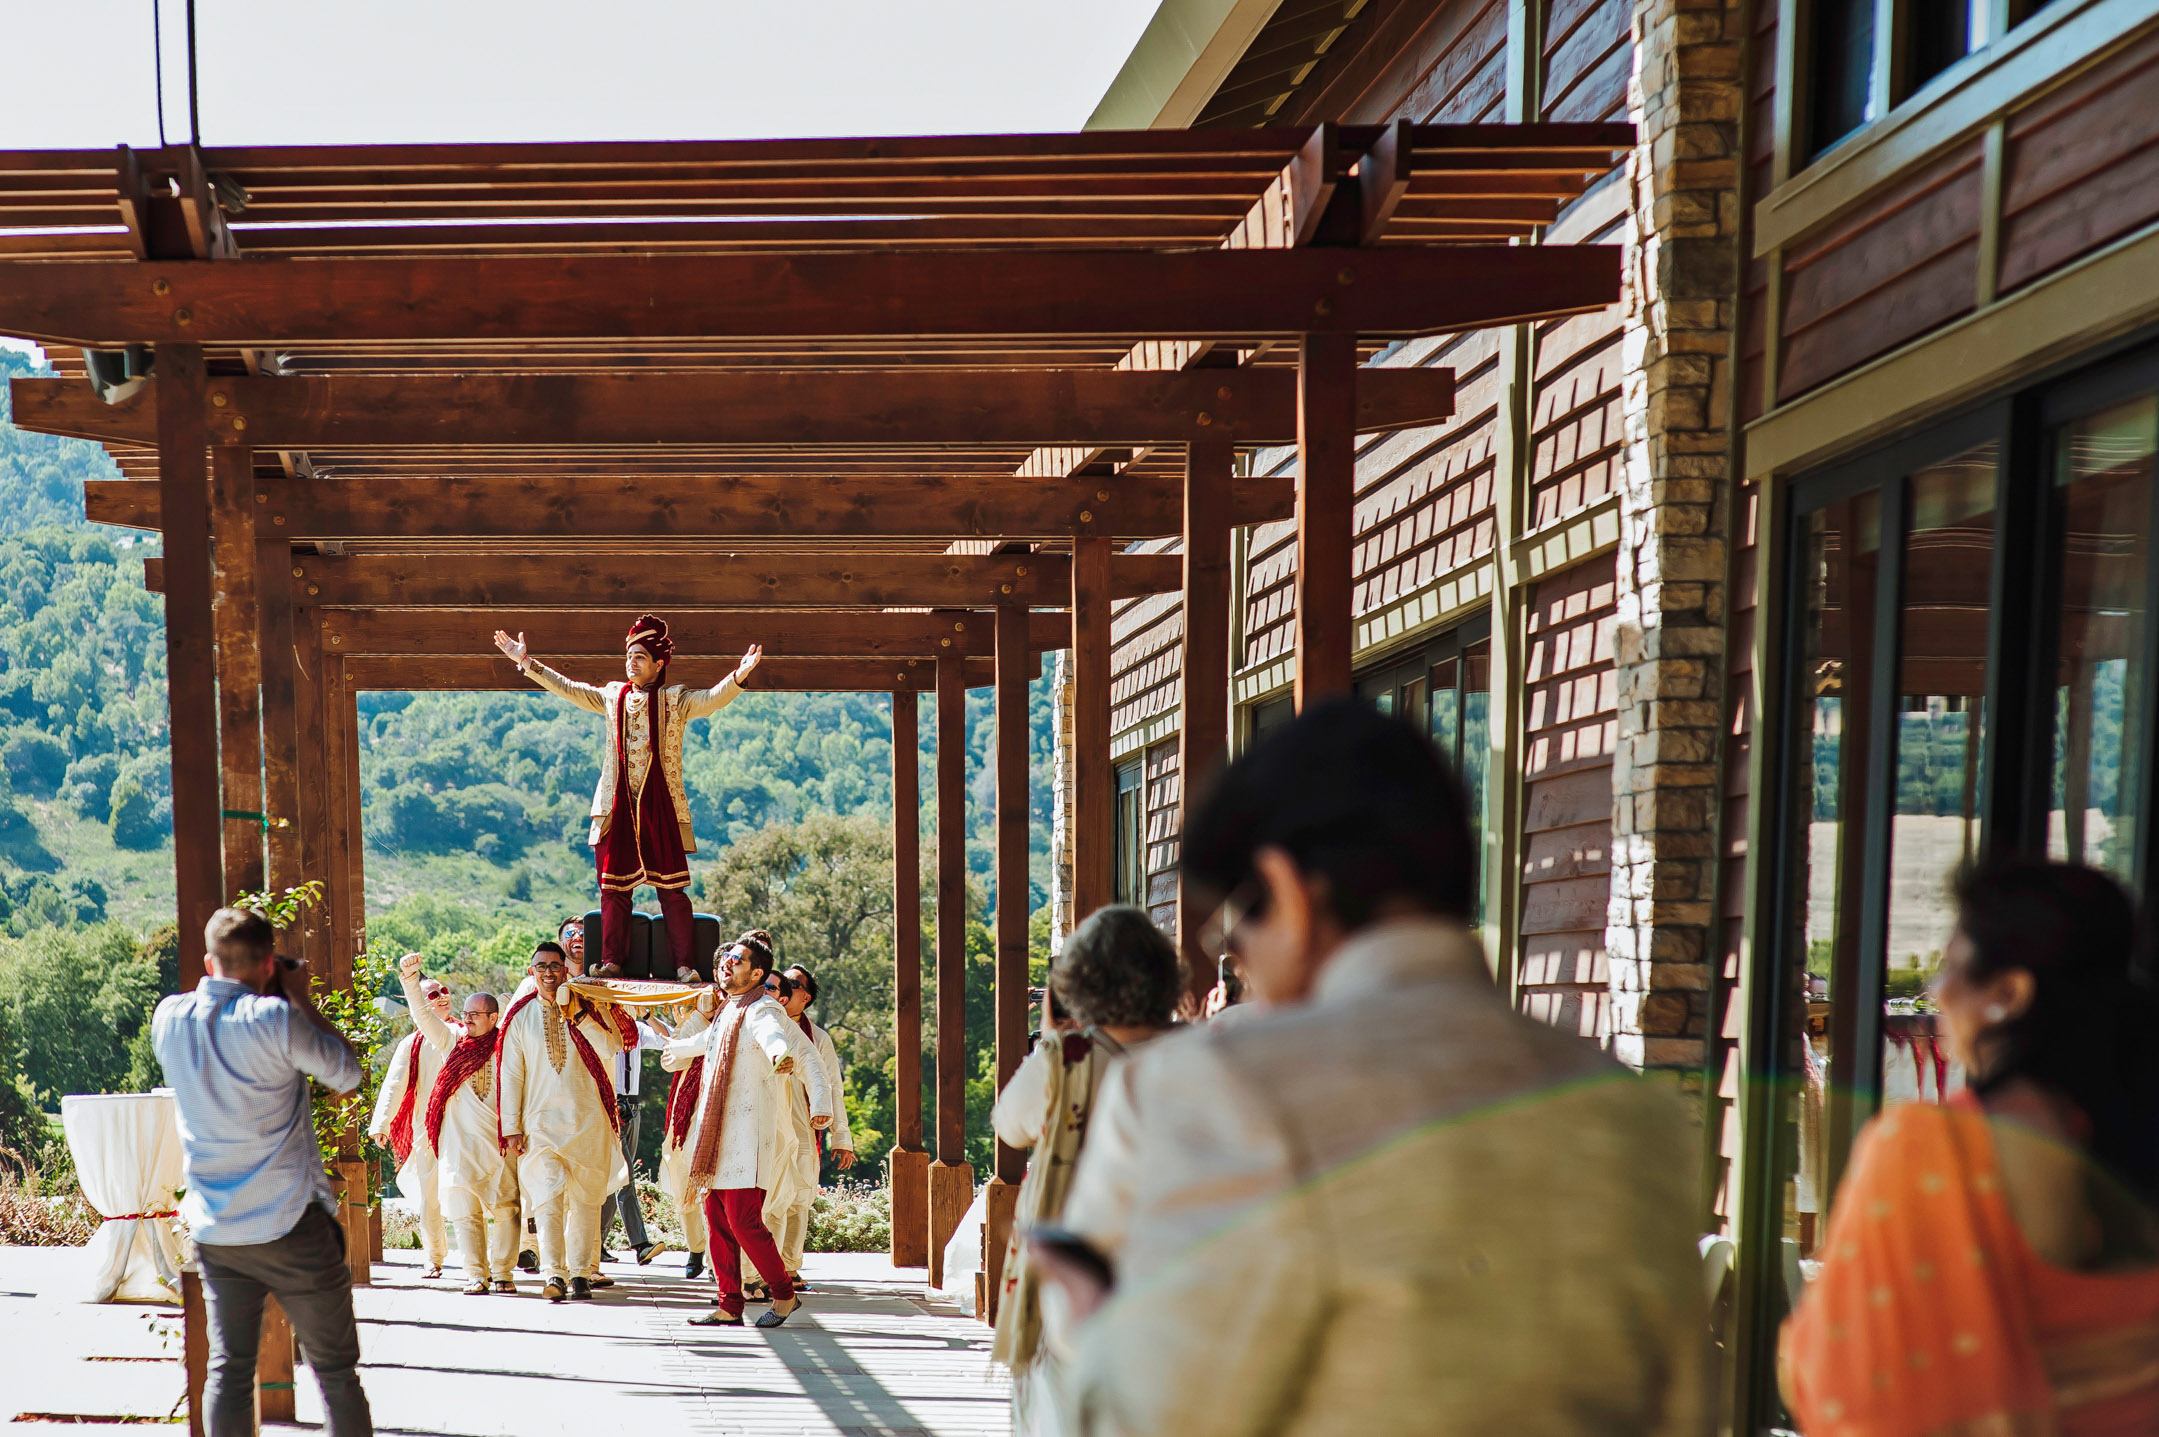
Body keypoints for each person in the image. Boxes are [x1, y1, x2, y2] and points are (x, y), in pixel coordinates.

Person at [1049, 699, 1705, 1436]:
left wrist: (1086, 1310)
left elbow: (1150, 1414)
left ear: (1290, 890)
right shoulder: (1629, 1112)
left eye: (1235, 927)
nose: (1234, 954)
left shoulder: (1233, 1088)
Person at [1779, 859, 2159, 1435]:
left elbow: (1846, 1384)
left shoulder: (1933, 1151)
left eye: (1952, 966)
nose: (1937, 991)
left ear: (2007, 994)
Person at [152, 908, 372, 1437]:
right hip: (293, 1222)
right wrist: (299, 997)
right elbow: (347, 1073)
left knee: (229, 1371)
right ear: (270, 962)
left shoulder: (168, 1019)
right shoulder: (274, 1019)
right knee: (336, 1373)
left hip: (217, 1229)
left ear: (209, 961)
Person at [991, 905, 1182, 1437]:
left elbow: (1010, 1125)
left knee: (1058, 1401)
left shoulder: (1067, 1055)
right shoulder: (1199, 1049)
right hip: (1168, 1243)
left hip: (1074, 1244)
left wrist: (1052, 1036)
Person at [493, 616, 762, 981]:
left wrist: (739, 677)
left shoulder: (674, 699)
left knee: (672, 891)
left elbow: (710, 700)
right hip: (615, 806)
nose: (631, 663)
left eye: (639, 657)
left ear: (658, 664)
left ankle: (684, 966)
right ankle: (612, 961)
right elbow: (569, 688)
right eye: (629, 656)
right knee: (613, 890)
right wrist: (526, 662)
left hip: (660, 805)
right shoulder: (612, 696)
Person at [661, 931, 834, 1328]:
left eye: (737, 961)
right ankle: (729, 1305)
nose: (727, 964)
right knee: (717, 1220)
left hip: (747, 1136)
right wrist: (679, 1049)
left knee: (743, 1221)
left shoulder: (762, 1011)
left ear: (757, 973)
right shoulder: (729, 1010)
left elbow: (775, 1042)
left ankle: (784, 1294)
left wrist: (779, 1057)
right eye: (726, 959)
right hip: (717, 1134)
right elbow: (711, 1039)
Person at [497, 940, 634, 1302]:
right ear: (532, 972)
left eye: (555, 966)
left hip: (589, 1121)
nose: (548, 972)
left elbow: (612, 1047)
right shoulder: (520, 1018)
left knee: (587, 1201)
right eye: (540, 966)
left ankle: (580, 1273)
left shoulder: (588, 1008)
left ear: (566, 969)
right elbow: (510, 1075)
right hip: (539, 1124)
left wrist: (578, 1016)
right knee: (547, 1200)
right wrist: (511, 1127)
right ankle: (553, 1273)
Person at [395, 957, 521, 1296]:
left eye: (475, 1015)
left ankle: (504, 1272)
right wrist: (410, 980)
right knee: (465, 1212)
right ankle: (476, 1274)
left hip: (500, 1142)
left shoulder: (509, 1047)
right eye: (465, 1014)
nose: (466, 1019)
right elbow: (423, 1016)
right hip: (459, 1144)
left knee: (507, 1209)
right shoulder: (452, 1041)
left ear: (494, 1018)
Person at [366, 974, 456, 1279]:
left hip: (464, 1127)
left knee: (473, 1189)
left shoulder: (465, 1033)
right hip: (426, 1129)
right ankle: (434, 1257)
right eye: (432, 995)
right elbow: (394, 1084)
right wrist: (383, 1124)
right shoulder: (412, 1043)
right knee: (430, 1196)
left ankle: (484, 1261)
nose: (442, 997)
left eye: (443, 991)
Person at [779, 962, 855, 1291]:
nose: (783, 987)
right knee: (768, 1200)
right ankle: (759, 1270)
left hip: (803, 1130)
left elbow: (833, 1088)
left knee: (798, 1201)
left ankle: (789, 1269)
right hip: (765, 1128)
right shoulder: (763, 1025)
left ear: (806, 998)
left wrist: (842, 1138)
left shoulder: (819, 1039)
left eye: (793, 985)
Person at [598, 1007, 671, 1272]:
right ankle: (640, 1244)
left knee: (615, 1177)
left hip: (633, 1106)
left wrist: (649, 1015)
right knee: (625, 1174)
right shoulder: (601, 1030)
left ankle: (597, 1244)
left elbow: (668, 1038)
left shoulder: (636, 1031)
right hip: (611, 1105)